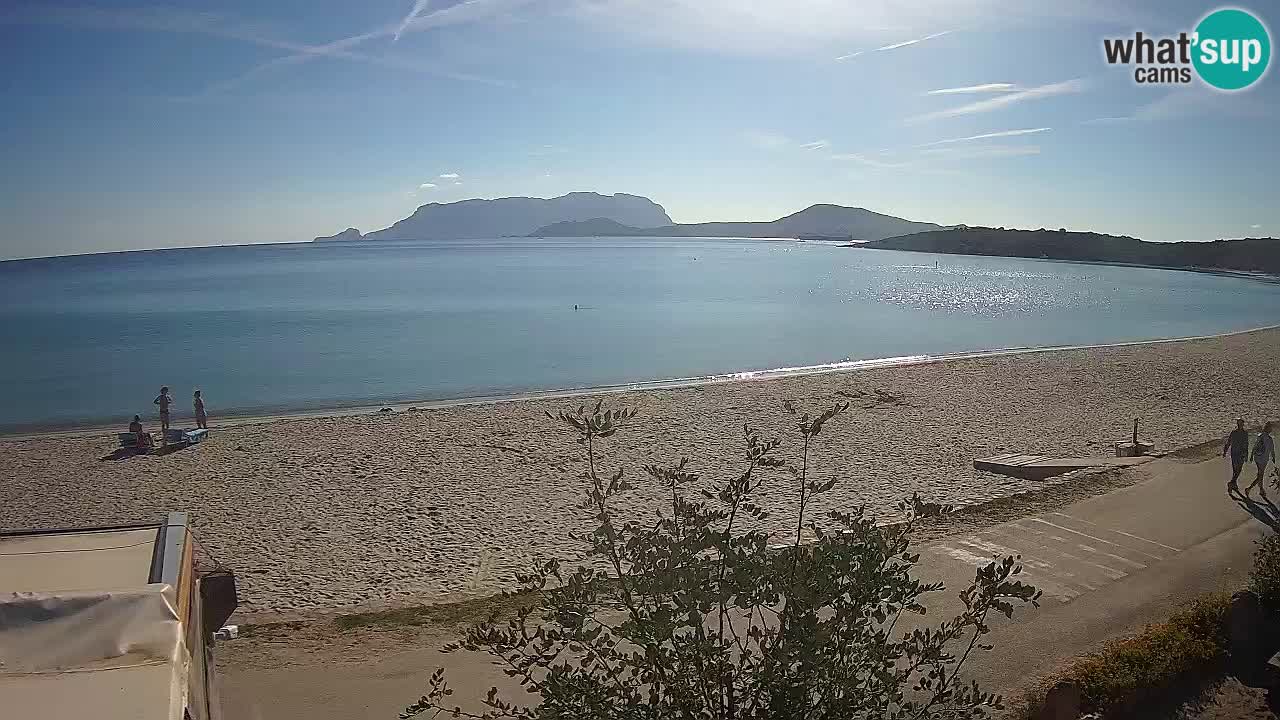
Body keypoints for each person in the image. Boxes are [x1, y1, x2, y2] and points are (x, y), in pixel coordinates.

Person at [1248, 422, 1276, 494]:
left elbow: (1255, 446)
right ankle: (1250, 488)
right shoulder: (1270, 439)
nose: (1271, 429)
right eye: (1270, 428)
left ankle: (1261, 489)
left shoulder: (1260, 436)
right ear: (1268, 429)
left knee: (1260, 474)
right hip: (1263, 459)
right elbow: (1272, 449)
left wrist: (1251, 456)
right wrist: (1273, 458)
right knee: (1260, 475)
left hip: (1257, 457)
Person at [1224, 418, 1251, 488]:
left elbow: (1246, 444)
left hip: (1237, 453)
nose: (1241, 425)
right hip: (1237, 453)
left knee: (1237, 469)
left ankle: (1233, 482)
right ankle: (1233, 482)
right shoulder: (1239, 433)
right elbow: (1229, 442)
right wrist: (1225, 451)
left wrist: (1225, 451)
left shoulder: (1241, 433)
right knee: (1237, 469)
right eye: (1241, 424)